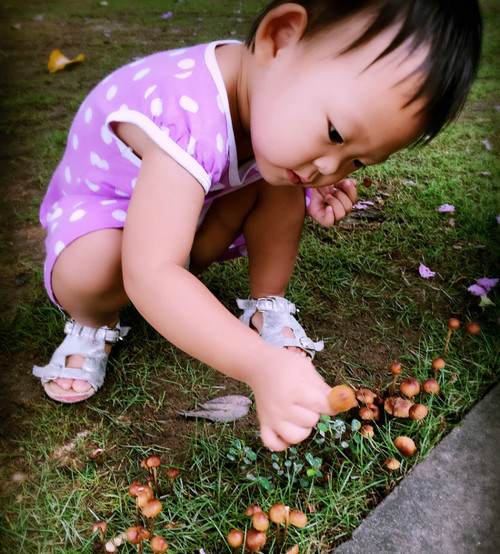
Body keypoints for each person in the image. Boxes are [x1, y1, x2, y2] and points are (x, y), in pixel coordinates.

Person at [33, 0, 482, 451]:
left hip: (190, 216)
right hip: (109, 222)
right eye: (335, 134)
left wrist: (312, 187)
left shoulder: (271, 95)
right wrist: (260, 365)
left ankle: (268, 302)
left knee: (286, 173)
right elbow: (149, 273)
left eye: (357, 160)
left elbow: (289, 157)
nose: (330, 167)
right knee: (91, 271)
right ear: (279, 39)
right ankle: (93, 323)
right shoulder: (186, 112)